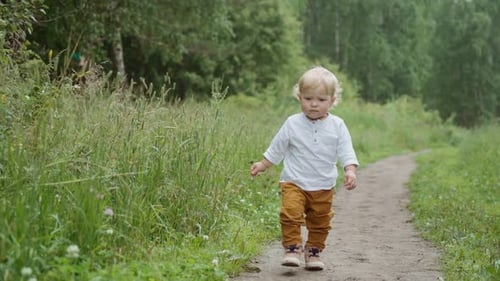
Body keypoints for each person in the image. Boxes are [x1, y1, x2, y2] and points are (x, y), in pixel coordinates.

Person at [250, 66, 359, 271]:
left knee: (320, 222)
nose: (314, 104)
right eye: (308, 99)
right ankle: (292, 248)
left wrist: (350, 170)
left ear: (332, 100)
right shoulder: (292, 123)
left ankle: (314, 251)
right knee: (290, 213)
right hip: (294, 181)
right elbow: (277, 147)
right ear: (299, 97)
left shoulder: (337, 125)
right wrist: (263, 164)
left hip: (323, 185)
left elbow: (346, 150)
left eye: (321, 100)